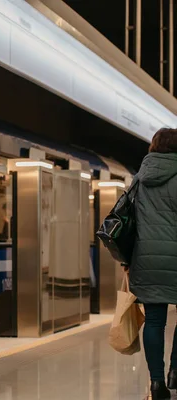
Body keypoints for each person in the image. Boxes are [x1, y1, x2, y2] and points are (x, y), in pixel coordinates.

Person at [129, 128, 177, 400]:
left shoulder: (139, 179)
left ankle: (157, 384)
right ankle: (175, 372)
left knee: (155, 321)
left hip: (146, 257)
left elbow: (127, 219)